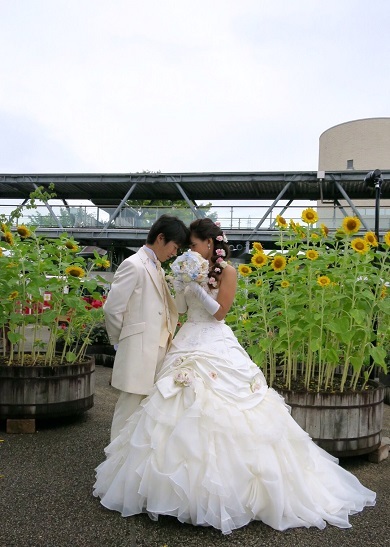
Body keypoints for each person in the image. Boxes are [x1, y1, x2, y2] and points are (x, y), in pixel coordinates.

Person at [94, 218, 375, 535]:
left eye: (195, 245)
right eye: (186, 247)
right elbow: (183, 310)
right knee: (166, 405)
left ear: (210, 244)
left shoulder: (228, 271)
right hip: (187, 341)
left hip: (215, 340)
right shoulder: (182, 268)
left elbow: (220, 312)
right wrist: (183, 285)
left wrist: (198, 286)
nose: (190, 250)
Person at [103, 214, 189, 441]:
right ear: (161, 238)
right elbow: (113, 308)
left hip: (159, 349)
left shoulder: (159, 268)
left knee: (145, 411)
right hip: (138, 348)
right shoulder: (133, 264)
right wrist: (119, 341)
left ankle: (130, 461)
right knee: (128, 409)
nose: (175, 253)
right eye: (174, 247)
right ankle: (115, 465)